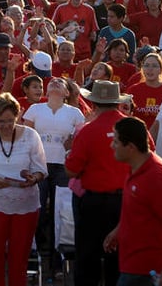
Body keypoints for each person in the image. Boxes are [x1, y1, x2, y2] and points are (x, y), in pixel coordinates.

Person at [0, 93, 47, 286]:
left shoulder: (31, 135)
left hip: (25, 206)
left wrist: (33, 178)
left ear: (18, 116)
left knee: (19, 261)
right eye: (0, 121)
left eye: (10, 121)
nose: (5, 126)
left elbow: (41, 169)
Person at [103, 117, 162, 286]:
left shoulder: (157, 177)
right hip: (134, 263)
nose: (112, 146)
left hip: (150, 269)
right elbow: (139, 209)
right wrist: (118, 231)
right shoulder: (137, 167)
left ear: (131, 147)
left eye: (116, 142)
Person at [65, 81, 132, 286]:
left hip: (94, 201)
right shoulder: (133, 127)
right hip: (126, 201)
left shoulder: (88, 131)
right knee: (120, 260)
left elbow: (71, 170)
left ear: (93, 103)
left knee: (87, 259)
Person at [22, 77, 85, 273]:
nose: (56, 82)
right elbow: (26, 137)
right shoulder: (34, 109)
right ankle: (37, 254)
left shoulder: (75, 113)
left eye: (61, 82)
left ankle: (58, 261)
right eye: (52, 82)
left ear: (67, 93)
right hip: (39, 167)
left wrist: (72, 144)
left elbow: (81, 139)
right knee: (38, 212)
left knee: (62, 214)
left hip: (63, 168)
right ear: (46, 91)